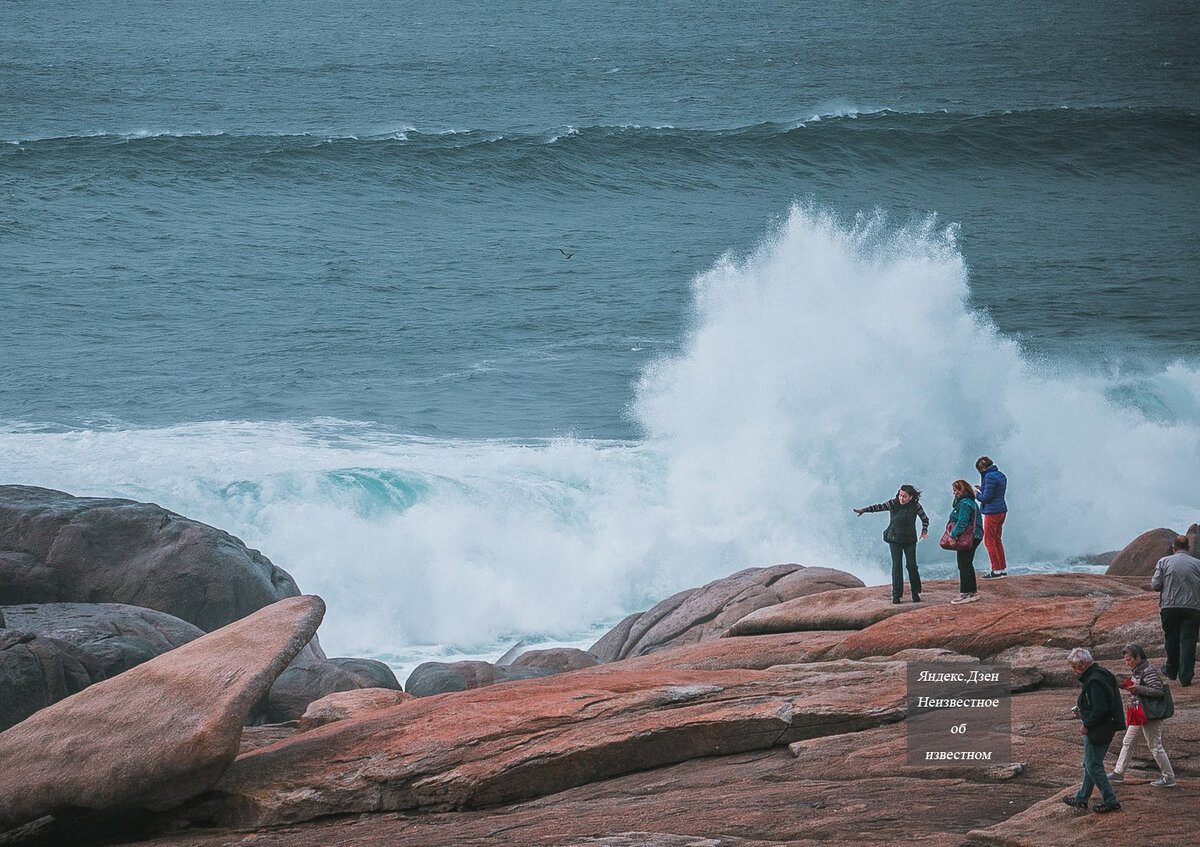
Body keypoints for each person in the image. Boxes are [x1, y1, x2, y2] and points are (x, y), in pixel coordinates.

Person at [1063, 647, 1123, 813]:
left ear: (1082, 664)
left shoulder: (1094, 680)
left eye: (1074, 667)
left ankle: (1111, 800)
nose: (1073, 670)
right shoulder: (1101, 673)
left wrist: (1086, 724)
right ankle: (1082, 798)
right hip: (1107, 725)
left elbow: (1100, 709)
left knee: (1093, 765)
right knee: (1090, 764)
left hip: (1099, 728)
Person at [1107, 642, 1175, 787]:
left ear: (1138, 657)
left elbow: (1158, 691)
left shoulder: (1148, 670)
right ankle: (1118, 773)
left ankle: (1169, 777)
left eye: (1128, 659)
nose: (1127, 663)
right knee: (1128, 742)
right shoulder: (1138, 669)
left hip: (1149, 714)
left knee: (1155, 746)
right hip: (1139, 712)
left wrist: (1138, 689)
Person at [854, 485, 929, 604]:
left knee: (911, 566)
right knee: (897, 566)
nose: (901, 498)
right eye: (900, 495)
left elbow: (925, 519)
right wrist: (864, 510)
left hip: (910, 540)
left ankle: (915, 593)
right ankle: (896, 595)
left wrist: (924, 531)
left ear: (910, 497)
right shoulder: (893, 503)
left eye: (904, 496)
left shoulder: (916, 506)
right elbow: (879, 507)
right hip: (894, 539)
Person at [1150, 535, 1200, 687]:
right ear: (1188, 548)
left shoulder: (1164, 562)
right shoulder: (1197, 563)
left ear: (1174, 548)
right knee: (1188, 642)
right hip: (1192, 608)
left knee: (1171, 639)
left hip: (1169, 607)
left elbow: (1155, 585)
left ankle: (1171, 670)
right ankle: (1185, 677)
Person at [947, 480, 984, 605]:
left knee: (964, 563)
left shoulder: (964, 503)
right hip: (976, 535)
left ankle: (966, 593)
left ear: (962, 490)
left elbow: (962, 521)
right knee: (967, 563)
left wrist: (953, 535)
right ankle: (972, 592)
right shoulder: (971, 502)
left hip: (969, 536)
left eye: (956, 490)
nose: (954, 493)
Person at [974, 456, 1008, 578]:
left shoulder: (989, 477)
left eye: (979, 469)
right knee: (997, 540)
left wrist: (976, 495)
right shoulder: (1000, 475)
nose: (979, 472)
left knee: (989, 541)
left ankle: (995, 570)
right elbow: (995, 491)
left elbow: (987, 498)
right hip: (1002, 510)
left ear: (983, 467)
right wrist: (982, 488)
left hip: (992, 512)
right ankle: (1002, 568)